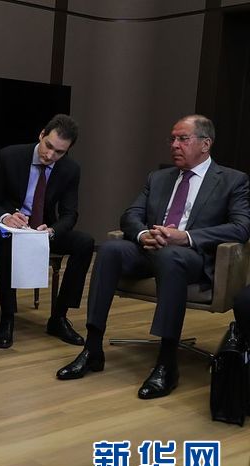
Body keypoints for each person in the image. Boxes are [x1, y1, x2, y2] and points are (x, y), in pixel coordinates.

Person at [56, 114, 250, 399]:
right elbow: (130, 215)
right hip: (150, 249)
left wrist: (185, 237)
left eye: (182, 139)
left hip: (192, 256)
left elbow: (241, 227)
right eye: (172, 139)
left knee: (170, 257)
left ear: (205, 144)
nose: (174, 145)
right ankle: (92, 348)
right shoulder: (158, 178)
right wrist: (144, 233)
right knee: (109, 250)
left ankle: (167, 363)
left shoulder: (232, 180)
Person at [0, 114, 94, 349]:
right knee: (6, 242)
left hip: (44, 231)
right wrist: (6, 217)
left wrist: (52, 230)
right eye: (48, 146)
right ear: (42, 135)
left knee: (85, 243)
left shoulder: (70, 169)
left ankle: (59, 317)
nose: (50, 155)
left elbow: (70, 214)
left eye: (59, 152)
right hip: (13, 228)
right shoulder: (10, 156)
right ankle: (7, 317)